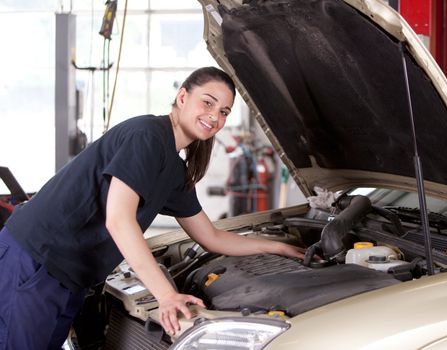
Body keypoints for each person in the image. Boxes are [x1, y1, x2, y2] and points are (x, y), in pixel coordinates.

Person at [0, 66, 305, 349]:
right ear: (182, 97)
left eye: (223, 111)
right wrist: (166, 295)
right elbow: (118, 220)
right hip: (36, 261)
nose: (215, 116)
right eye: (208, 103)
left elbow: (210, 236)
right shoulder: (147, 136)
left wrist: (277, 248)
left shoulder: (174, 167)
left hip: (70, 277)